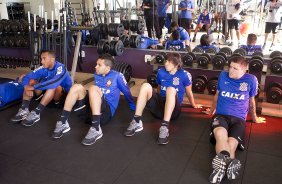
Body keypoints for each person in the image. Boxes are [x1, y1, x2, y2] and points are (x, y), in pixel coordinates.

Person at [203, 56, 266, 183]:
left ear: (244, 70)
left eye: (235, 68)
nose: (230, 70)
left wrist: (254, 118)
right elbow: (217, 95)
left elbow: (251, 102)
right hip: (221, 116)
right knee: (220, 134)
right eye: (230, 67)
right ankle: (228, 162)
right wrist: (211, 111)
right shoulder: (223, 75)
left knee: (232, 141)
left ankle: (221, 167)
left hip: (239, 119)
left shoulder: (251, 80)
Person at [52, 54, 136, 146]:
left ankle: (96, 129)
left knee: (93, 88)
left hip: (105, 114)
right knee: (76, 87)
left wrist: (133, 107)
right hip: (90, 113)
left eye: (99, 65)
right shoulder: (97, 74)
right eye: (96, 64)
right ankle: (63, 122)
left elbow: (126, 91)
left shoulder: (118, 76)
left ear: (107, 68)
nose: (95, 66)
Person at [124, 53, 201, 145]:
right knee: (145, 85)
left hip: (173, 112)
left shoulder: (184, 75)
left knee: (170, 89)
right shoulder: (161, 72)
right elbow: (159, 88)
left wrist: (193, 104)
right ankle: (137, 121)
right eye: (166, 60)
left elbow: (189, 92)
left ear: (176, 65)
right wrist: (153, 100)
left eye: (169, 62)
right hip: (159, 109)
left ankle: (164, 127)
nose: (166, 63)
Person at [10, 50, 72, 126]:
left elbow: (54, 83)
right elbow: (27, 77)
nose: (41, 61)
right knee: (30, 81)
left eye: (44, 58)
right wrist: (26, 87)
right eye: (41, 59)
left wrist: (32, 88)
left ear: (52, 59)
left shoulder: (61, 68)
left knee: (54, 86)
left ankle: (36, 112)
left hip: (61, 99)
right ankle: (24, 109)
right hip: (47, 95)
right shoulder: (43, 68)